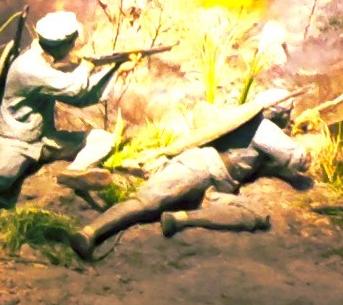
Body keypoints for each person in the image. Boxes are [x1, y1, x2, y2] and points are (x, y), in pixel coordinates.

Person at [0, 11, 122, 244]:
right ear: (61, 45)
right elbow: (74, 90)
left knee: (102, 139)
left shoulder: (43, 63)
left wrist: (116, 68)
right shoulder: (29, 68)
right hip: (16, 143)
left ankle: (75, 172)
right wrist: (87, 66)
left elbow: (82, 95)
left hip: (44, 139)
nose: (73, 47)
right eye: (71, 43)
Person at [68, 96, 313, 260]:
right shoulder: (264, 128)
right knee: (147, 201)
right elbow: (297, 158)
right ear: (281, 113)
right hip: (200, 164)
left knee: (255, 214)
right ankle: (90, 232)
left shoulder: (245, 122)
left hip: (221, 186)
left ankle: (180, 219)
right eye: (288, 114)